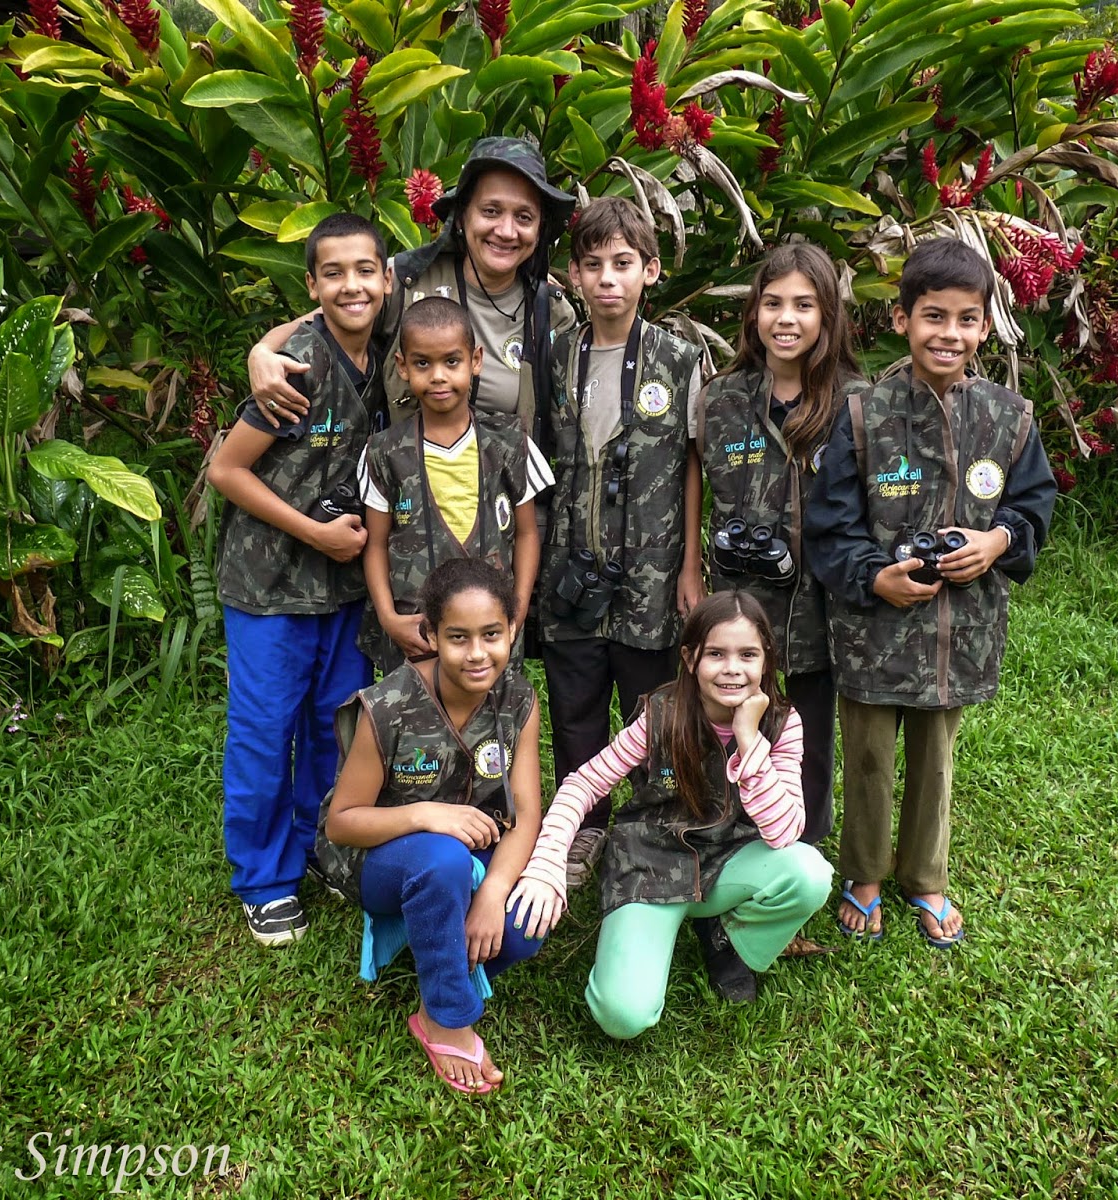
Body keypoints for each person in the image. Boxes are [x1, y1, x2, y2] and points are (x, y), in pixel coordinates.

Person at [803, 238, 1057, 947]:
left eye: (966, 319)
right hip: (873, 627)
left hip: (959, 629)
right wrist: (872, 576)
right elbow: (831, 524)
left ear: (986, 326)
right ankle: (864, 876)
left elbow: (1033, 503)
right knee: (868, 757)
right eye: (933, 316)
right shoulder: (864, 413)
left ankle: (926, 877)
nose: (949, 334)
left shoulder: (1009, 417)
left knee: (936, 757)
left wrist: (997, 541)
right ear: (903, 320)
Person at [508, 592, 833, 1037]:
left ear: (766, 660)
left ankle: (727, 940)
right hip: (651, 867)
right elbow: (584, 783)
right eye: (716, 654)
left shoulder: (782, 723)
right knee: (623, 1016)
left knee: (809, 874)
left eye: (748, 655)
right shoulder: (660, 715)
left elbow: (784, 833)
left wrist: (748, 739)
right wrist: (546, 863)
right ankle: (646, 933)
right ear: (689, 658)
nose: (732, 668)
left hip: (730, 860)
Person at [207, 213, 389, 946]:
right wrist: (313, 533)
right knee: (264, 730)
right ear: (312, 286)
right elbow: (226, 470)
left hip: (344, 590)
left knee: (333, 723)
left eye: (365, 270)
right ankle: (264, 878)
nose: (352, 286)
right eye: (333, 273)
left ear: (387, 279)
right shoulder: (297, 367)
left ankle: (319, 843)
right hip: (271, 584)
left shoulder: (388, 350)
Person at [315, 558, 543, 1095]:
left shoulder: (519, 699)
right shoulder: (388, 705)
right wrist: (425, 814)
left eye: (491, 634)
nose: (477, 653)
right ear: (432, 636)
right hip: (383, 857)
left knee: (523, 928)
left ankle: (440, 942)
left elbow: (526, 814)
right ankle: (443, 1016)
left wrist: (493, 893)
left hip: (469, 855)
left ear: (512, 630)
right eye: (458, 637)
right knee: (440, 859)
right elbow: (341, 824)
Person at [538, 196, 706, 890]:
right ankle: (585, 827)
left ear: (650, 270)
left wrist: (690, 565)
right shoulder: (554, 356)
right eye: (593, 264)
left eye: (623, 263)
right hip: (570, 569)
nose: (608, 278)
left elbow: (693, 463)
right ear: (574, 275)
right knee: (575, 708)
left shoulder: (680, 358)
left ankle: (654, 824)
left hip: (651, 573)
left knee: (653, 708)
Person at [697, 241, 865, 852]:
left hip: (823, 601)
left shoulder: (858, 401)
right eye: (772, 303)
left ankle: (803, 845)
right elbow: (695, 487)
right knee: (732, 720)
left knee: (810, 729)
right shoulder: (722, 398)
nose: (786, 319)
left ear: (827, 316)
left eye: (804, 305)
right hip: (742, 602)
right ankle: (725, 835)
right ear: (753, 312)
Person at [247, 137, 578, 442]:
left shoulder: (551, 312)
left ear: (540, 229)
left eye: (524, 217)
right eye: (490, 211)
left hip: (510, 482)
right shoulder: (408, 281)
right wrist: (261, 352)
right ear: (462, 216)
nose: (506, 231)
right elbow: (323, 321)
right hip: (404, 479)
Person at [357, 298, 550, 673]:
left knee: (494, 711)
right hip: (417, 636)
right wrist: (388, 618)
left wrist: (518, 609)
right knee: (418, 711)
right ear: (402, 366)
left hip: (491, 638)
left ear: (475, 361)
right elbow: (376, 544)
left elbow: (527, 534)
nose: (438, 376)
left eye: (451, 361)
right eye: (422, 364)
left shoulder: (510, 443)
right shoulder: (384, 452)